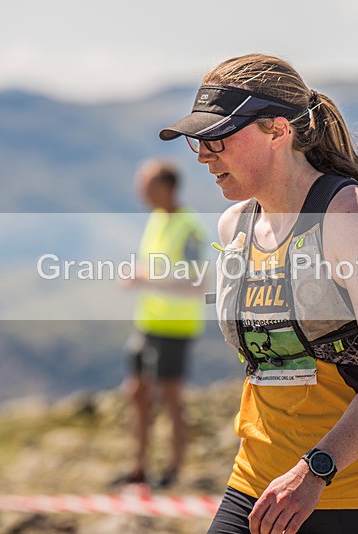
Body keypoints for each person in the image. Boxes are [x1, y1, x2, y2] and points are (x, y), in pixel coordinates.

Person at [159, 54, 358, 533]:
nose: (205, 156)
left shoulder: (348, 217)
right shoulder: (235, 227)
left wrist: (314, 471)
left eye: (219, 137)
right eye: (197, 141)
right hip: (258, 488)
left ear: (278, 130)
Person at [115, 159, 206, 489]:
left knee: (170, 400)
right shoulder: (155, 220)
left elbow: (198, 284)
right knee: (136, 392)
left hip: (175, 328)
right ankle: (137, 468)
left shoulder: (190, 227)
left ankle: (174, 470)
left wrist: (147, 279)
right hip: (147, 323)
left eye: (147, 185)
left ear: (166, 187)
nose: (141, 192)